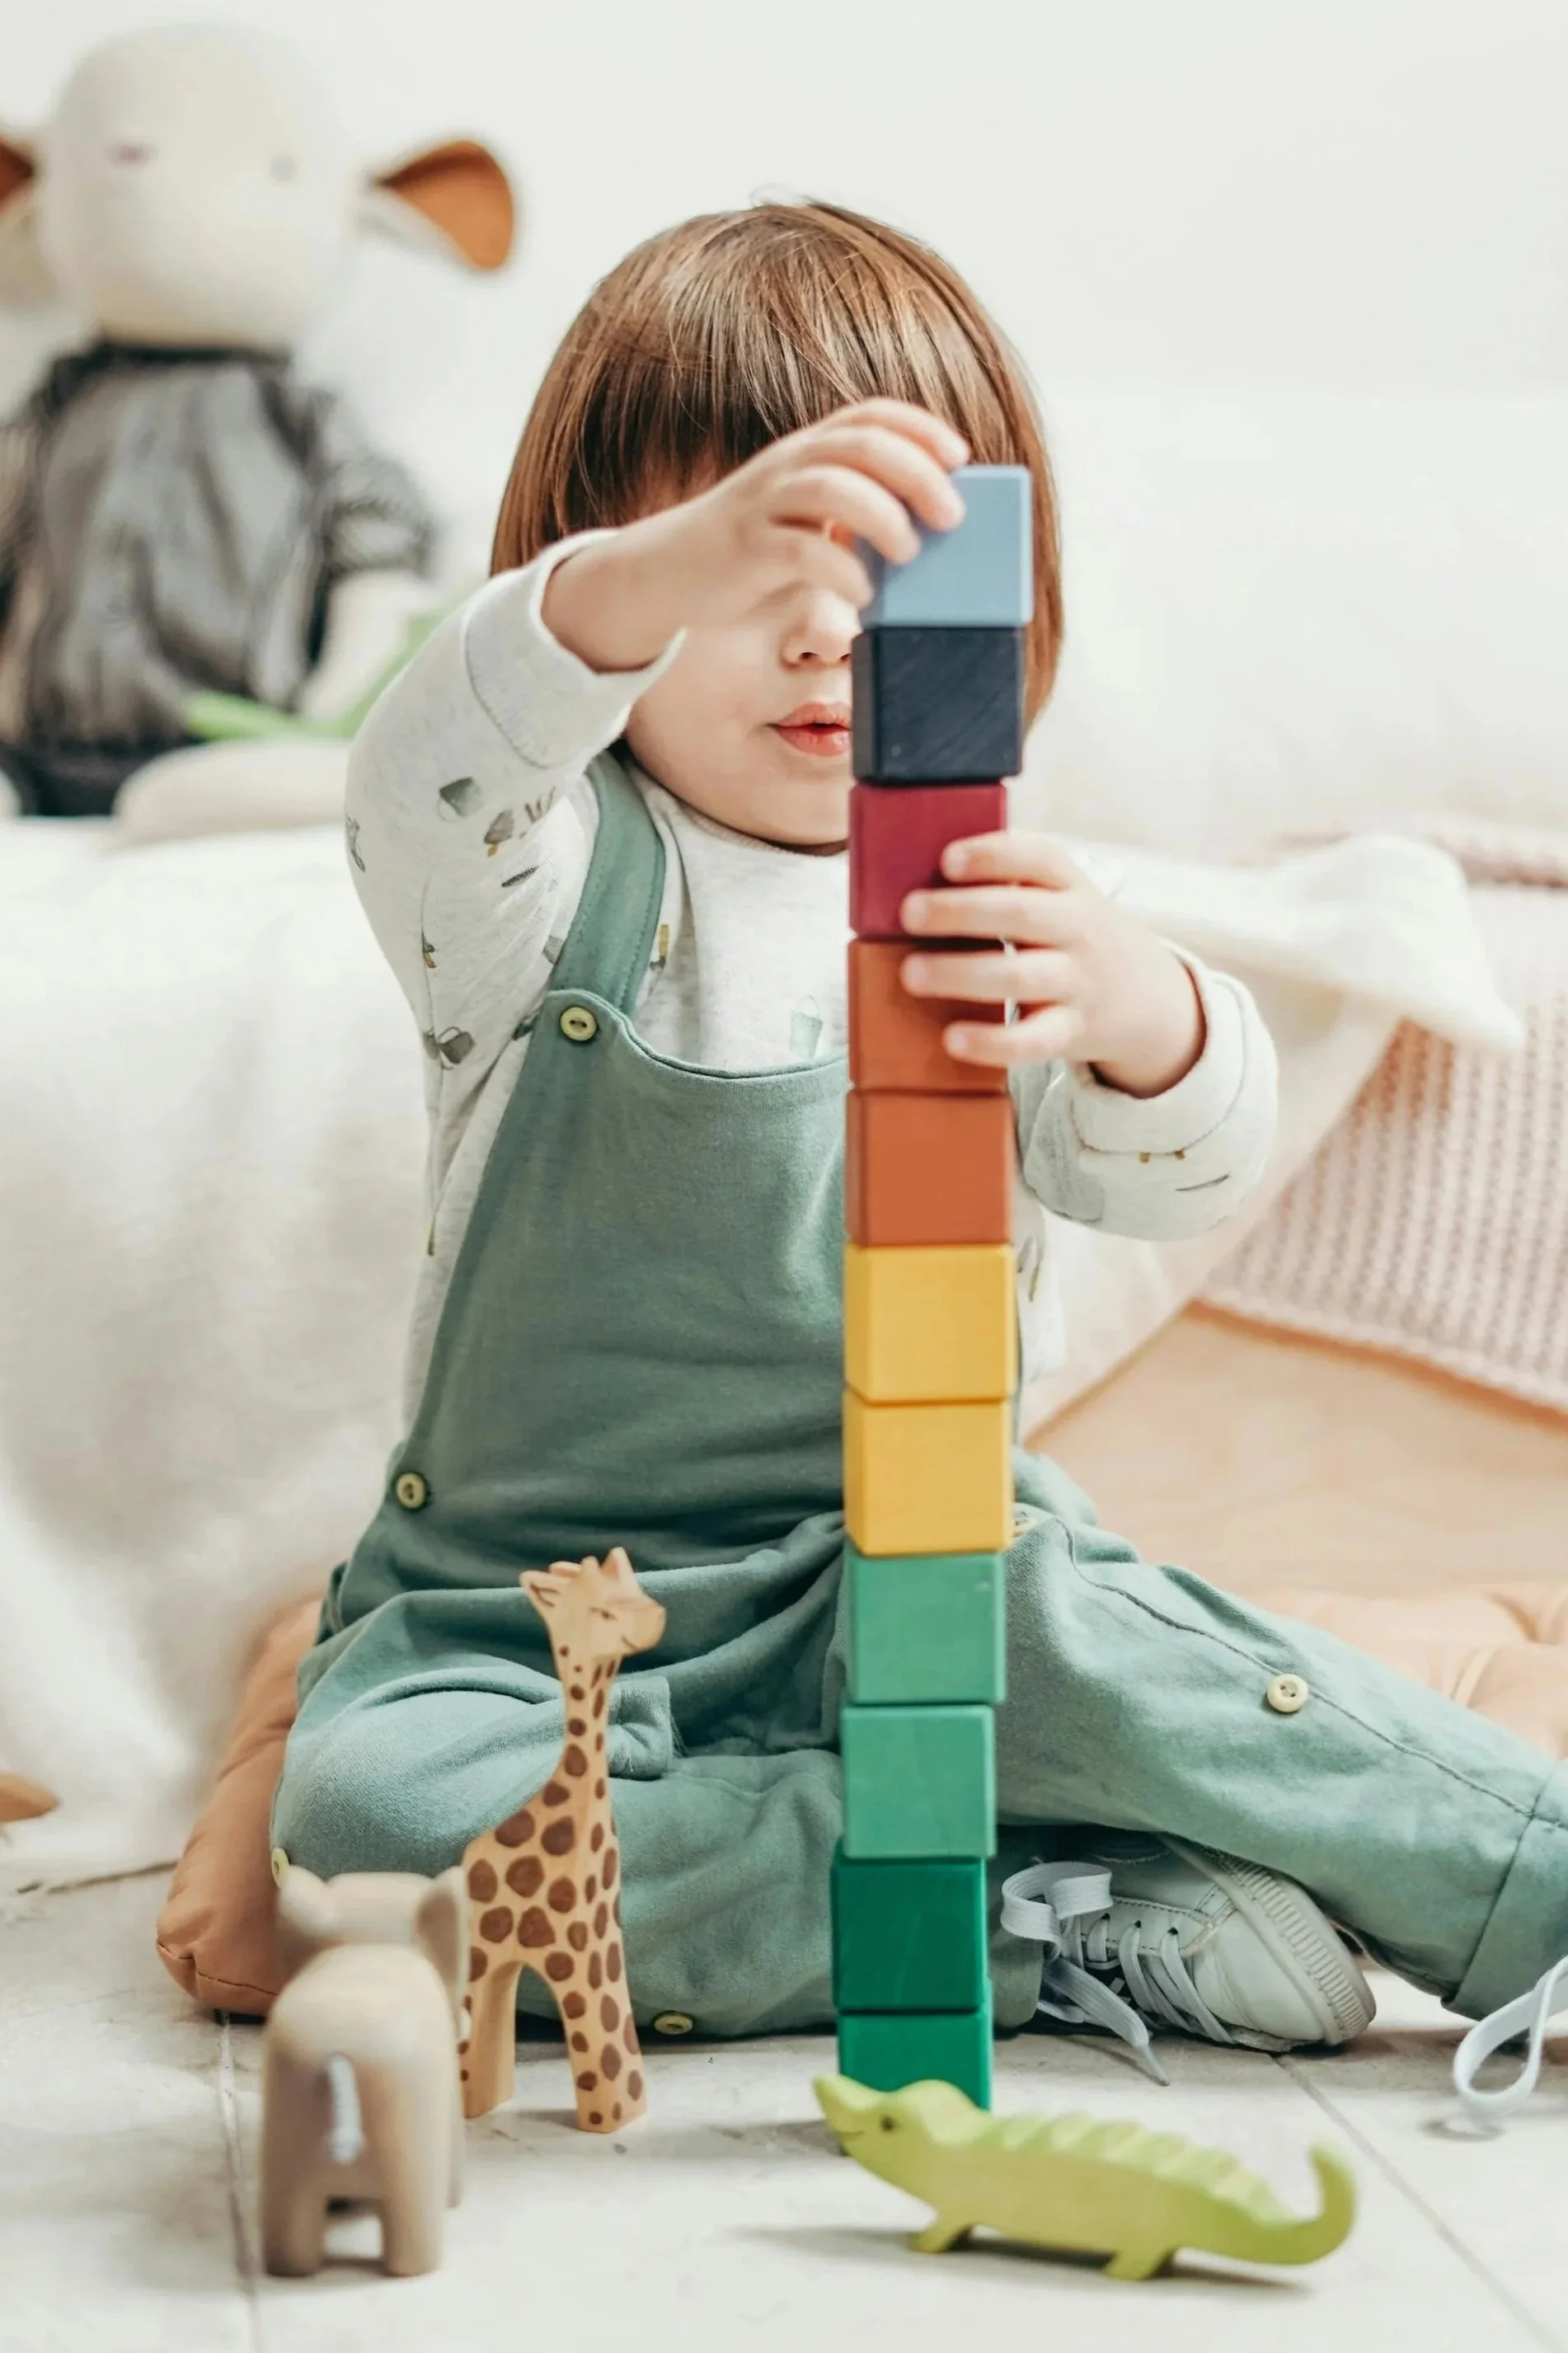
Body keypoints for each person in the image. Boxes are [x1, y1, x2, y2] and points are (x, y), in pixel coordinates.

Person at [272, 200, 1567, 2070]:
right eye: (755, 559)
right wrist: (650, 576)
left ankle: (1522, 1877)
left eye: (883, 566)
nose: (817, 622)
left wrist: (1149, 1016)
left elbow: (1167, 1172)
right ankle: (1038, 1904)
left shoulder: (997, 898)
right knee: (371, 1831)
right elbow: (423, 767)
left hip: (906, 1563)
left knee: (1105, 1638)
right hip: (527, 1619)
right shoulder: (533, 888)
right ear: (610, 581)